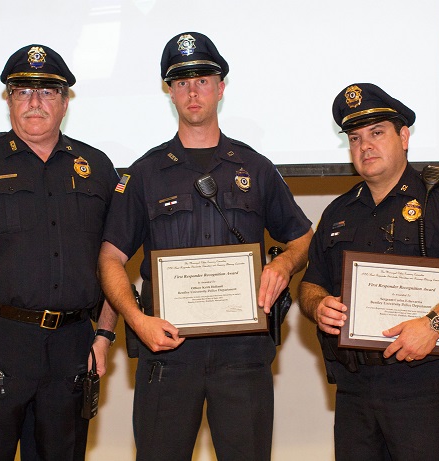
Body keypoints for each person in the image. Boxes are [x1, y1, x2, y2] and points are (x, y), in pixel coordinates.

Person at [98, 32, 313, 460]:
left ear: (221, 87)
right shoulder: (145, 173)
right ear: (169, 92)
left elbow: (303, 238)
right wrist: (136, 319)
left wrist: (284, 265)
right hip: (167, 354)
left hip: (243, 355)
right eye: (181, 82)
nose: (192, 91)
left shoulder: (256, 167)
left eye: (202, 79)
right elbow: (110, 258)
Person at [0, 44, 120, 460]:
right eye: (23, 91)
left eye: (48, 92)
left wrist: (103, 336)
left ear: (65, 101)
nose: (35, 102)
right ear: (8, 99)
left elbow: (113, 263)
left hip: (71, 350)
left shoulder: (98, 168)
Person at [299, 82, 439, 460]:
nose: (365, 146)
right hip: (354, 389)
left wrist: (434, 324)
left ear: (404, 136)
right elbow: (311, 284)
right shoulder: (337, 212)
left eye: (376, 133)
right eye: (354, 138)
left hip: (421, 386)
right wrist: (318, 305)